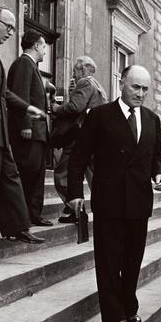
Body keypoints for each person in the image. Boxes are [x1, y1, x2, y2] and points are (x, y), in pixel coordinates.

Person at [67, 65, 161, 322]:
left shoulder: (152, 119)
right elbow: (78, 158)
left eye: (145, 89)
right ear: (121, 83)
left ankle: (129, 308)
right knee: (109, 261)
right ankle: (114, 316)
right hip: (109, 201)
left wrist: (159, 173)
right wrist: (75, 193)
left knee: (133, 260)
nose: (141, 93)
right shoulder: (99, 116)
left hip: (139, 202)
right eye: (136, 87)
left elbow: (155, 157)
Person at [0, 6, 46, 244]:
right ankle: (17, 226)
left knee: (10, 177)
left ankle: (18, 227)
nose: (11, 33)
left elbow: (3, 92)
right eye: (8, 26)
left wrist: (26, 107)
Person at [52, 56, 107, 223]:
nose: (73, 75)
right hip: (95, 139)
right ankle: (104, 212)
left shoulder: (85, 83)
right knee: (94, 177)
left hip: (79, 139)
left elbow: (76, 107)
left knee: (62, 174)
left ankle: (73, 209)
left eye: (74, 71)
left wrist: (56, 108)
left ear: (82, 70)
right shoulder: (98, 86)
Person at [7, 29, 53, 227]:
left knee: (35, 174)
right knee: (28, 174)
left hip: (37, 134)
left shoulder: (30, 66)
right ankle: (24, 216)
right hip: (29, 133)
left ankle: (33, 214)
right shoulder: (24, 64)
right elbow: (20, 96)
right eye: (44, 46)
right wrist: (25, 126)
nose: (45, 51)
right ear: (35, 45)